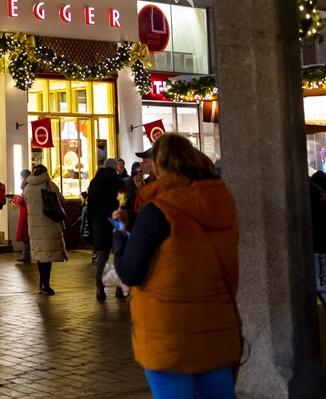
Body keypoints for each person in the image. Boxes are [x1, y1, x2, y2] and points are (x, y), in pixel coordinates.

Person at [112, 133, 241, 399]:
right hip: (216, 328)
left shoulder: (159, 209)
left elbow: (129, 271)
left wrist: (120, 233)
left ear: (160, 166)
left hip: (169, 336)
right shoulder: (221, 202)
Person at [23, 164, 67, 295]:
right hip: (49, 223)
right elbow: (62, 201)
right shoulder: (50, 185)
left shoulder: (27, 187)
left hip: (34, 225)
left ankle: (41, 283)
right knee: (46, 254)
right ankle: (46, 285)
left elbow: (25, 203)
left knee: (39, 254)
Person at [87, 157, 127, 300]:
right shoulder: (119, 182)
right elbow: (123, 203)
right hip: (116, 222)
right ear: (115, 168)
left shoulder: (94, 182)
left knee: (102, 255)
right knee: (119, 254)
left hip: (99, 223)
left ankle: (100, 287)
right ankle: (119, 288)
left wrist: (91, 223)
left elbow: (90, 205)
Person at [15, 169, 32, 264]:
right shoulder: (31, 185)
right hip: (29, 213)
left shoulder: (26, 186)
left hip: (25, 214)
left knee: (26, 236)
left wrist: (14, 198)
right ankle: (28, 253)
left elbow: (22, 201)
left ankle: (27, 254)